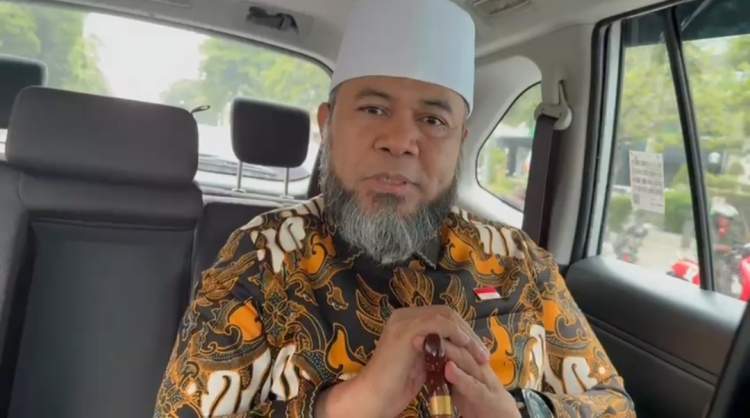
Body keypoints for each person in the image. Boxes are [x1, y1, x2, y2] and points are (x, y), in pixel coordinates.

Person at [154, 0, 635, 417]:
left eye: (433, 119)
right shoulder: (261, 257)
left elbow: (613, 403)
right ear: (328, 125)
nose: (402, 140)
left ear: (460, 143)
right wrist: (346, 406)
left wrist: (518, 412)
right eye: (374, 109)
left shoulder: (519, 262)